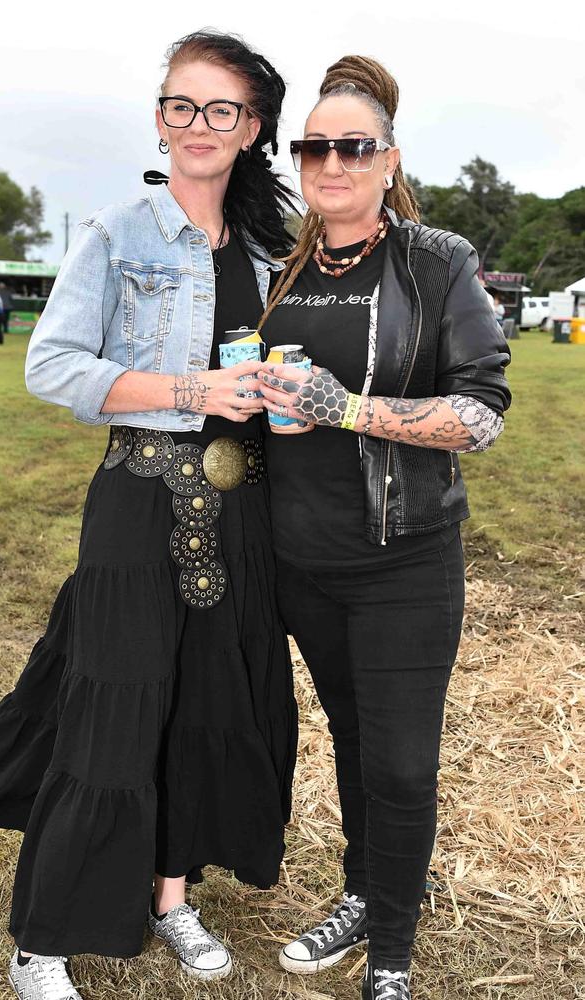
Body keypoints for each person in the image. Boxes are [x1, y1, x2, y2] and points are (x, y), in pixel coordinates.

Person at [0, 30, 299, 1000]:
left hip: (238, 511)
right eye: (181, 106)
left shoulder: (268, 246)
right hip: (139, 500)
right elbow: (50, 365)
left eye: (220, 109)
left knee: (199, 706)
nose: (199, 124)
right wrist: (193, 390)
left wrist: (279, 390)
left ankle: (168, 896)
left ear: (249, 128)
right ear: (159, 118)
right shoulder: (119, 232)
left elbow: (271, 372)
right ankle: (43, 941)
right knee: (112, 705)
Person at [256, 57, 511, 1000]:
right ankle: (368, 893)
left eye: (352, 146)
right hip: (300, 561)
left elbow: (481, 414)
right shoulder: (282, 265)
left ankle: (393, 958)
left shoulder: (433, 260)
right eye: (314, 146)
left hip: (403, 560)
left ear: (387, 158)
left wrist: (344, 407)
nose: (331, 162)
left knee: (402, 763)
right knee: (356, 743)